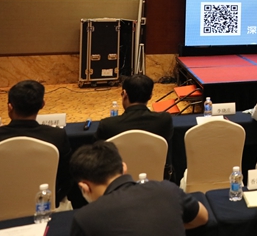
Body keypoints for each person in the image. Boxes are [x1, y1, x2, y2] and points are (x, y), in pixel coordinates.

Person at [70, 141, 208, 236]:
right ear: (124, 168)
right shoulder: (167, 189)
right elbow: (203, 217)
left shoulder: (85, 219)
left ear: (84, 187)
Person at [0, 80, 75, 206]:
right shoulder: (57, 136)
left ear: (9, 107)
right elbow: (67, 178)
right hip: (46, 207)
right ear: (42, 104)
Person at [95, 74, 174, 177]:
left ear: (124, 94)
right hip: (156, 182)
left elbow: (96, 155)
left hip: (118, 182)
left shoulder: (107, 125)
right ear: (150, 96)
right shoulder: (164, 120)